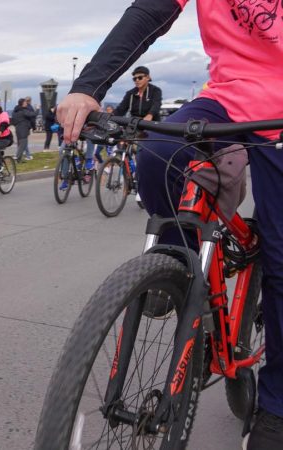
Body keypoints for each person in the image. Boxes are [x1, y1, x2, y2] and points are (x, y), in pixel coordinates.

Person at [57, 1, 283, 448]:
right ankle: (185, 278)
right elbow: (149, 12)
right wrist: (88, 87)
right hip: (229, 96)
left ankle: (275, 406)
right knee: (158, 155)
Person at [12, 98, 37, 162]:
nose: (27, 103)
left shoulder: (15, 111)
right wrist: (37, 109)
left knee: (20, 144)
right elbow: (33, 114)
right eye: (25, 102)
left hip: (17, 129)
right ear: (22, 103)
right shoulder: (23, 111)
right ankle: (17, 157)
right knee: (23, 144)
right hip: (23, 130)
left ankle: (19, 160)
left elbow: (13, 121)